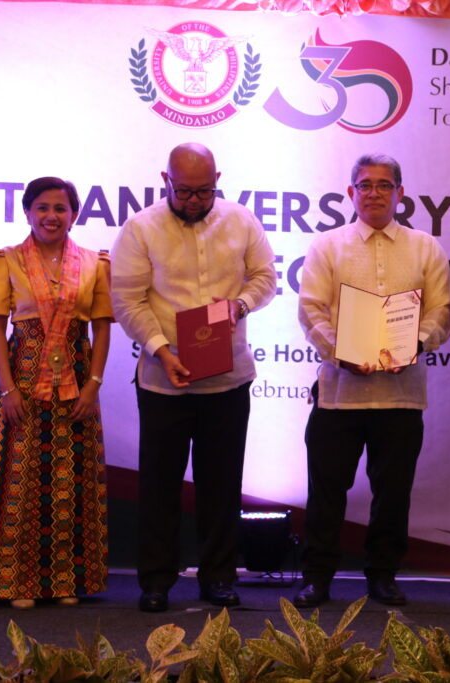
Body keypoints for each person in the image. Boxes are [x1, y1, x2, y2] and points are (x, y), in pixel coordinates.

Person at [111, 143, 277, 612]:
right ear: (165, 180)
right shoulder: (140, 228)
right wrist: (161, 351)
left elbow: (265, 278)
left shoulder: (242, 220)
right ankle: (156, 582)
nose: (193, 200)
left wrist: (240, 306)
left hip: (228, 378)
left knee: (221, 484)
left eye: (204, 191)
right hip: (164, 380)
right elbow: (127, 300)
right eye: (183, 191)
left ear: (217, 180)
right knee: (159, 485)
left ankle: (218, 578)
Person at [294, 154, 450, 608]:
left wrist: (414, 344)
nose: (375, 193)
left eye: (385, 185)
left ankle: (383, 576)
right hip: (339, 395)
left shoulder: (425, 247)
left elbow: (442, 312)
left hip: (401, 396)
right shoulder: (328, 245)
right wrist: (340, 352)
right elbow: (311, 309)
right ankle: (317, 577)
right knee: (326, 491)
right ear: (351, 193)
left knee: (393, 493)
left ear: (400, 193)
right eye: (365, 185)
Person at [0, 177, 111, 609]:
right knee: (21, 481)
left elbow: (102, 329)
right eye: (43, 208)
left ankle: (65, 580)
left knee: (70, 480)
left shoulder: (95, 263)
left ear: (74, 214)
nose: (52, 216)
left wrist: (94, 384)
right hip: (24, 380)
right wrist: (7, 388)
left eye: (61, 208)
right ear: (28, 212)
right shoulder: (6, 260)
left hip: (77, 379)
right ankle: (18, 583)